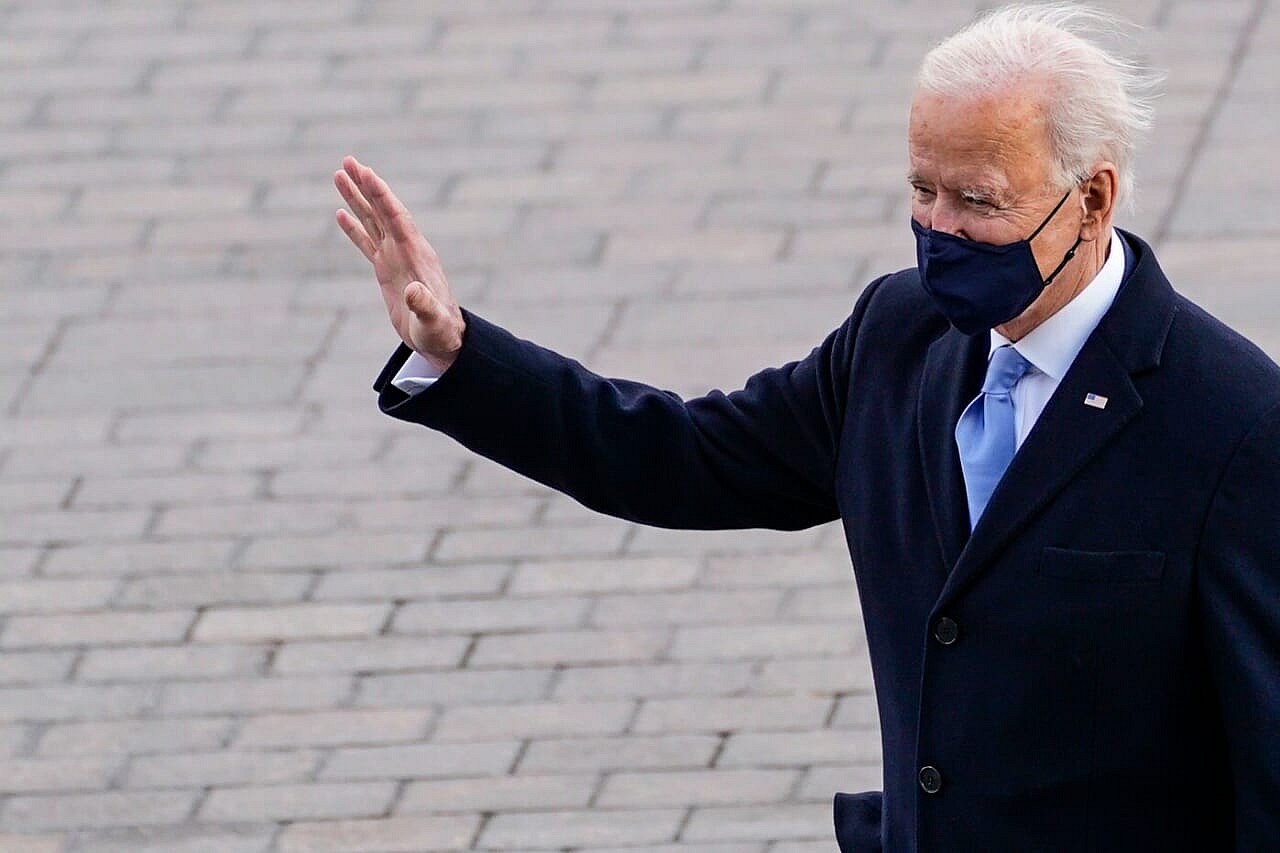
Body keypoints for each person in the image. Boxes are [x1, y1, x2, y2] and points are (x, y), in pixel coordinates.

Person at [334, 3, 1280, 850]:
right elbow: (685, 457)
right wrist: (461, 356)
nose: (938, 228)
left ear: (1094, 198)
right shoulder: (898, 337)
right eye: (922, 190)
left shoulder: (1234, 423)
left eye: (978, 201)